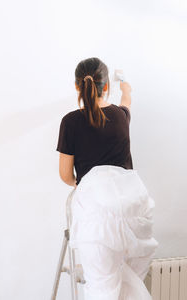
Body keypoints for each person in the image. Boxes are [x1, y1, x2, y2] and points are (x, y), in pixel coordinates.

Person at [56, 57, 158, 300]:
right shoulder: (122, 116)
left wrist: (80, 182)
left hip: (98, 217)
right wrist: (126, 86)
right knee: (129, 283)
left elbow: (65, 175)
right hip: (134, 210)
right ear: (106, 87)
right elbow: (126, 101)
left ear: (77, 87)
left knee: (102, 288)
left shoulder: (70, 122)